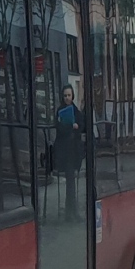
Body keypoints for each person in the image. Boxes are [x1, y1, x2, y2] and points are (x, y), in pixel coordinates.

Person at [55, 84, 85, 221]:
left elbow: (82, 126)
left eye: (69, 95)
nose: (67, 98)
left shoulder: (76, 111)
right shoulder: (60, 111)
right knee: (70, 180)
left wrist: (77, 127)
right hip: (64, 151)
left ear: (72, 96)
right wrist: (70, 126)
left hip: (74, 150)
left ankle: (72, 211)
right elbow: (59, 129)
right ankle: (71, 212)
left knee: (72, 180)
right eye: (65, 95)